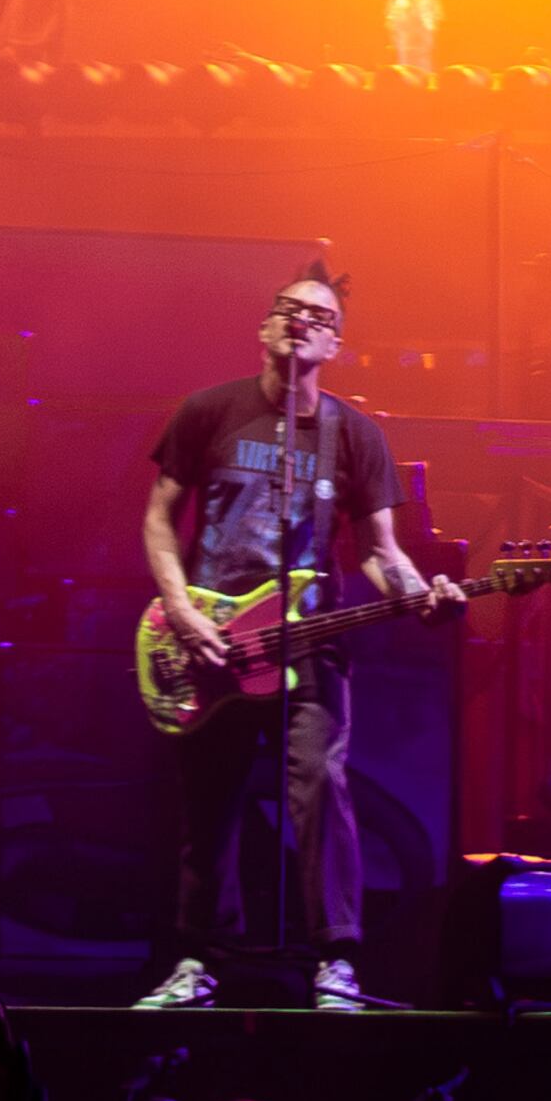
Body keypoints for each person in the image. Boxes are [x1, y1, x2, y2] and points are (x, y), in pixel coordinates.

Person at [136, 258, 463, 1013]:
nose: (302, 321)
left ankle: (335, 963)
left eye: (320, 317)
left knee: (320, 785)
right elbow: (160, 517)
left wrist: (424, 598)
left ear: (336, 347)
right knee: (208, 803)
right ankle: (195, 962)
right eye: (290, 308)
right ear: (264, 326)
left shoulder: (355, 435)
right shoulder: (207, 412)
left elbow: (382, 556)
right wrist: (182, 610)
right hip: (208, 640)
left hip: (309, 643)